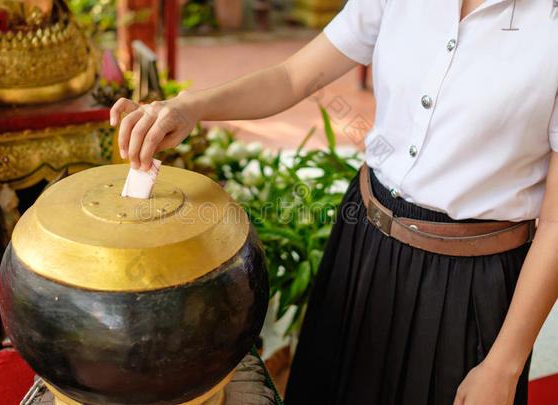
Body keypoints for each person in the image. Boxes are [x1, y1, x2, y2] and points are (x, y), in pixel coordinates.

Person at [110, 0, 558, 403]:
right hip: (364, 249)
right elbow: (293, 76)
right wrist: (190, 106)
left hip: (471, 284)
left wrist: (504, 364)